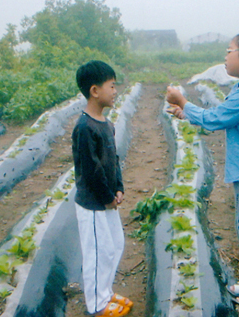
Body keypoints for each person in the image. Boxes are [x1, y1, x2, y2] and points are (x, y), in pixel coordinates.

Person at [166, 32, 239, 313]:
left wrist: (183, 101)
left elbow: (217, 118)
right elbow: (224, 116)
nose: (225, 56)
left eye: (229, 50)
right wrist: (187, 113)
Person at [72, 60, 133, 317]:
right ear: (95, 91)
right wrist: (107, 197)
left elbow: (113, 160)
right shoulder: (84, 128)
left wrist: (118, 187)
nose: (116, 90)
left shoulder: (106, 124)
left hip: (107, 199)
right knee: (97, 253)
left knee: (114, 246)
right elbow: (91, 170)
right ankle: (97, 305)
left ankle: (106, 293)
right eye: (112, 85)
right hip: (94, 203)